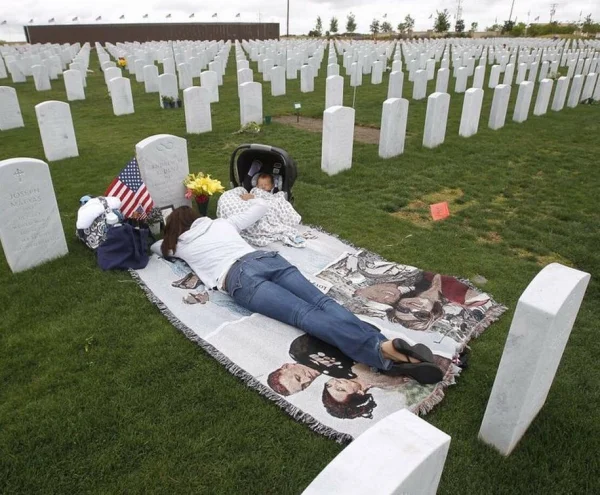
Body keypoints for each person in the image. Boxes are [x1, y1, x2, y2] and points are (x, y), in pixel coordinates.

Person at [161, 204, 444, 384]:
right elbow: (260, 207)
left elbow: (155, 248)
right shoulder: (222, 224)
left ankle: (382, 352)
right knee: (322, 302)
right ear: (197, 218)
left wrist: (166, 236)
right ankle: (388, 345)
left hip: (239, 277)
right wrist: (248, 198)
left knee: (304, 315)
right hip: (266, 259)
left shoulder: (179, 245)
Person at [322, 358, 450, 420]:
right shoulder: (385, 385)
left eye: (329, 385)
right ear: (359, 393)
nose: (336, 382)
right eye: (341, 389)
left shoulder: (352, 369)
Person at [267, 334, 357, 396]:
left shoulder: (299, 351)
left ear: (287, 366)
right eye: (304, 386)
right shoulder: (341, 376)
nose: (308, 379)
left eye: (298, 377)